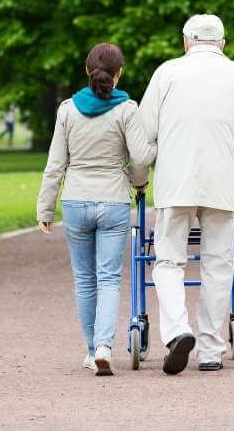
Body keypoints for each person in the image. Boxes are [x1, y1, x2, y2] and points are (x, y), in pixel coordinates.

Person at [137, 14, 234, 375]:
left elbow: (143, 135)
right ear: (222, 44)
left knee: (168, 261)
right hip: (221, 185)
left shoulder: (166, 73)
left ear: (186, 42)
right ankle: (210, 349)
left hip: (174, 183)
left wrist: (138, 177)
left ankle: (178, 330)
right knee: (218, 264)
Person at [36, 43, 156, 376]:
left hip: (75, 201)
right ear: (119, 73)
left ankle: (92, 351)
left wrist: (45, 208)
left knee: (84, 280)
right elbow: (143, 158)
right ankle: (105, 346)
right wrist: (137, 181)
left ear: (88, 72)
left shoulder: (67, 110)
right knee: (108, 279)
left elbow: (55, 165)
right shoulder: (127, 110)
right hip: (114, 200)